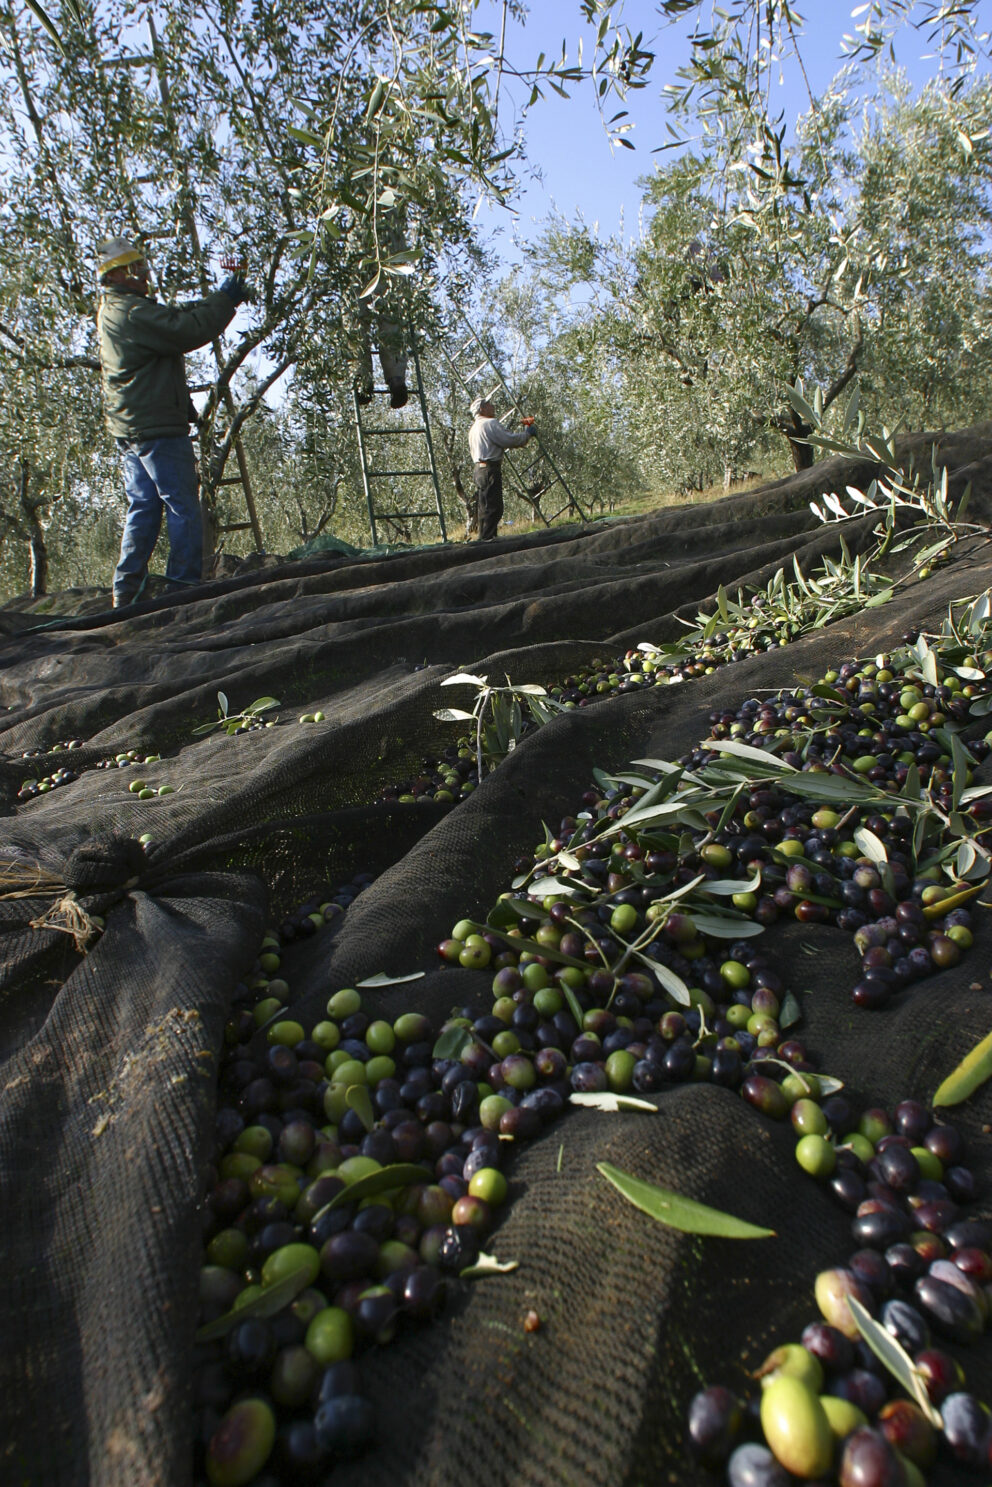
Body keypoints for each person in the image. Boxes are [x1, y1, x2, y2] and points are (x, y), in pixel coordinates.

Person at [95, 236, 251, 607]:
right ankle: (183, 589)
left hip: (134, 429)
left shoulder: (116, 310)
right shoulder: (132, 312)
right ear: (122, 274)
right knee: (182, 503)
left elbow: (171, 326)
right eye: (141, 269)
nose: (148, 275)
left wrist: (217, 299)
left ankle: (126, 590)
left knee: (144, 506)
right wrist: (228, 297)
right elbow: (185, 330)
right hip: (156, 431)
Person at [467, 396, 536, 542]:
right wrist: (527, 434)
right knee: (493, 507)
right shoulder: (490, 423)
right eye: (489, 404)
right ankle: (488, 541)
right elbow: (508, 440)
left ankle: (485, 539)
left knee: (485, 506)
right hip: (489, 469)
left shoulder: (474, 428)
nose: (493, 406)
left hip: (479, 470)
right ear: (482, 409)